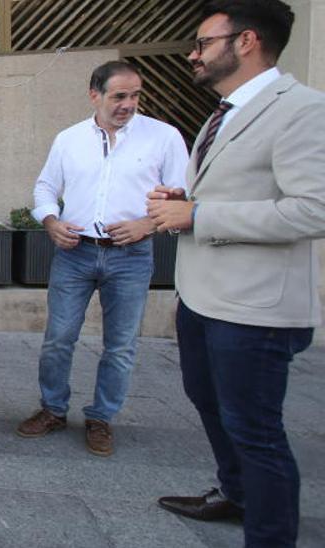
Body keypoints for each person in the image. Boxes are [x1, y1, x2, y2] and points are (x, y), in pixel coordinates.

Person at [147, 1, 325, 545]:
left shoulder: (302, 109)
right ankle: (236, 493)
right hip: (204, 297)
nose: (194, 54)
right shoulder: (223, 111)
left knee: (256, 431)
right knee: (210, 404)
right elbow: (239, 189)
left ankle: (270, 533)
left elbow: (314, 209)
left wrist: (199, 213)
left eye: (203, 42)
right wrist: (188, 198)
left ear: (246, 41)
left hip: (255, 307)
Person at [15, 61, 188, 457]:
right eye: (119, 96)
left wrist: (148, 223)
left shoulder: (163, 137)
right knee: (58, 338)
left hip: (131, 255)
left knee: (121, 345)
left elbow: (182, 197)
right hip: (75, 253)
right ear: (95, 95)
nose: (129, 104)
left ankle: (101, 417)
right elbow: (45, 186)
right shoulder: (69, 139)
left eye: (135, 95)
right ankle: (52, 409)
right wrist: (50, 219)